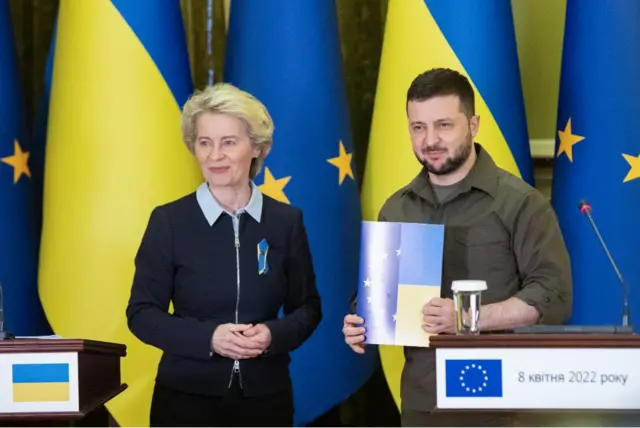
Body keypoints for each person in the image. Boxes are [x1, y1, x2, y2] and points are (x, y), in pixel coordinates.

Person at [342, 68, 572, 427]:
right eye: (418, 127)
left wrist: (467, 319)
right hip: (423, 401)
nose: (430, 139)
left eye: (444, 125)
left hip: (501, 401)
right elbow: (379, 294)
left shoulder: (521, 204)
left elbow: (553, 296)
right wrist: (361, 321)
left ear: (474, 124)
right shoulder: (396, 208)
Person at [126, 83, 322, 427]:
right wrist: (209, 338)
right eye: (205, 143)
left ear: (257, 148)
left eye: (228, 143)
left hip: (266, 400)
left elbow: (307, 309)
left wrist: (273, 335)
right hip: (185, 400)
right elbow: (142, 313)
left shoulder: (286, 222)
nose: (215, 156)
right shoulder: (168, 221)